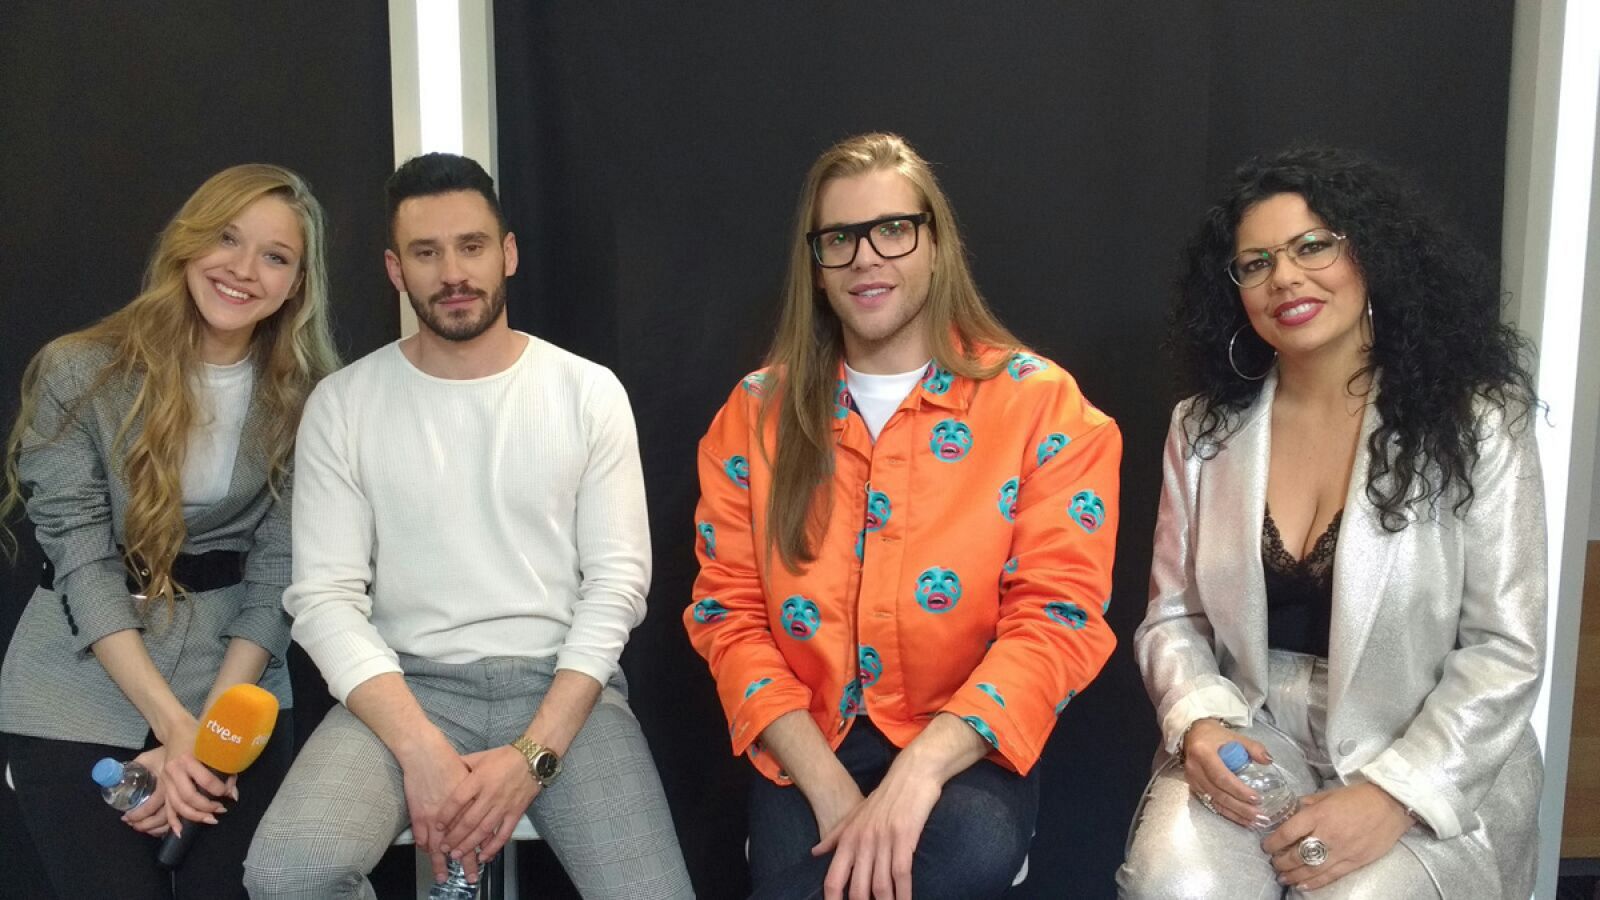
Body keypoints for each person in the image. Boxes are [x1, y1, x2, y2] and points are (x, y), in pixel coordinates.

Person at [243, 152, 692, 899]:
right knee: (289, 874)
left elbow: (616, 587)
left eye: (472, 246)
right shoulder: (344, 404)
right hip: (403, 687)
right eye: (426, 253)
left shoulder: (587, 393)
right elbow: (323, 599)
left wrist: (534, 755)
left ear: (507, 253)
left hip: (561, 689)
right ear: (396, 270)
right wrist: (419, 747)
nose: (452, 273)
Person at [686, 132, 1121, 900]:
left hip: (964, 746)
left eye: (892, 229)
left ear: (936, 244)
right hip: (807, 745)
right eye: (839, 239)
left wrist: (919, 771)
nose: (866, 258)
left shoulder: (1042, 407)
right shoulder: (754, 416)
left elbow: (1057, 618)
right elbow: (729, 616)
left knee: (962, 851)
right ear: (815, 266)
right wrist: (828, 788)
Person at [1117, 147, 1545, 899]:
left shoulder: (1478, 423)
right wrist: (1201, 724)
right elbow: (1173, 618)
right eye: (1255, 263)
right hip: (1255, 730)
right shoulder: (1202, 428)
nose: (1284, 277)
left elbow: (1505, 649)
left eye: (1313, 246)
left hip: (1424, 740)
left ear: (1370, 256)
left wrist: (1396, 796)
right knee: (1175, 885)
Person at [0, 164, 340, 899]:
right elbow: (82, 557)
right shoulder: (79, 371)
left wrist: (211, 733)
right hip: (81, 680)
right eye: (227, 238)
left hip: (235, 679)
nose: (243, 269)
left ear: (296, 285)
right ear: (188, 242)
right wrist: (175, 731)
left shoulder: (310, 400)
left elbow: (279, 571)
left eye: (275, 256)